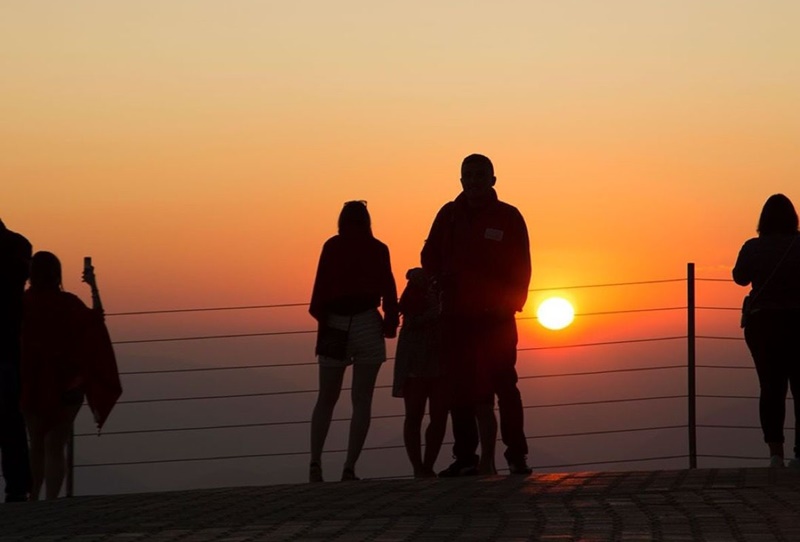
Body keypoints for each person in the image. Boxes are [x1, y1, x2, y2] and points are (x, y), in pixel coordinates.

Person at [421, 153, 532, 476]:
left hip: (496, 319)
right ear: (460, 180)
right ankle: (466, 458)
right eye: (467, 175)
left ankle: (516, 456)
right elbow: (429, 255)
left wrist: (510, 304)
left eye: (480, 175)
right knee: (460, 388)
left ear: (493, 180)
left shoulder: (509, 217)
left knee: (505, 386)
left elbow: (522, 266)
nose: (473, 181)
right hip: (455, 317)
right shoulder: (448, 215)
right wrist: (438, 280)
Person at [308, 200, 399, 482]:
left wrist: (324, 322)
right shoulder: (378, 248)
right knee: (362, 400)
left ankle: (315, 463)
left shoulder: (332, 247)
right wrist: (390, 323)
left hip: (335, 323)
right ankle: (349, 467)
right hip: (367, 323)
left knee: (326, 397)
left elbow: (320, 290)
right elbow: (389, 288)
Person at [20, 251, 122, 500]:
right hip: (69, 385)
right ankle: (52, 501)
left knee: (36, 445)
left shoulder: (23, 303)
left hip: (32, 384)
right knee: (56, 446)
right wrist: (93, 284)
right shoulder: (69, 303)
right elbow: (97, 320)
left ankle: (33, 498)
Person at [733, 193, 800, 469]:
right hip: (798, 322)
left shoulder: (752, 247)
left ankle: (775, 453)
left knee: (770, 387)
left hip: (763, 325)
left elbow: (740, 278)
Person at [392, 267, 448, 478]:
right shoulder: (418, 284)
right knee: (423, 415)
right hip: (422, 357)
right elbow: (411, 316)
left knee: (429, 415)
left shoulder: (420, 283)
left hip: (431, 357)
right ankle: (421, 467)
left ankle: (423, 467)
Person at [0, 219, 33, 502]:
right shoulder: (19, 245)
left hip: (8, 348)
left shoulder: (16, 246)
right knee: (11, 422)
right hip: (8, 347)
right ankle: (17, 487)